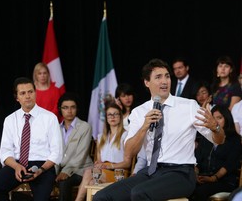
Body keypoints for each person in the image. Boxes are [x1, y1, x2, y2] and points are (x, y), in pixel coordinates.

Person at [93, 58, 225, 201]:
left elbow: (219, 140)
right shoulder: (139, 112)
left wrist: (216, 128)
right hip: (152, 171)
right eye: (158, 77)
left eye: (167, 76)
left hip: (181, 173)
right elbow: (129, 152)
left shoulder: (188, 106)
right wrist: (144, 127)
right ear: (147, 82)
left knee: (139, 193)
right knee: (102, 197)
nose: (164, 81)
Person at [0, 77, 63, 201]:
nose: (27, 96)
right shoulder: (10, 120)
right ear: (17, 97)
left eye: (30, 92)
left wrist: (40, 170)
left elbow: (56, 152)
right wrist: (16, 166)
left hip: (42, 165)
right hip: (17, 163)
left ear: (35, 93)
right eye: (23, 93)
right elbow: (5, 152)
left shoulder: (50, 118)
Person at [75, 102, 130, 201]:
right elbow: (99, 161)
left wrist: (109, 166)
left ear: (120, 117)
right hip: (103, 171)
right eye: (109, 114)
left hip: (118, 173)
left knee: (88, 172)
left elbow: (127, 163)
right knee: (91, 182)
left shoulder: (126, 135)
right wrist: (98, 164)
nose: (112, 117)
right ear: (106, 118)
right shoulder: (101, 137)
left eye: (115, 114)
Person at [191, 105, 241, 201]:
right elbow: (197, 159)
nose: (215, 121)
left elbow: (229, 165)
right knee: (187, 187)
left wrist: (214, 178)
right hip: (204, 177)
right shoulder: (206, 137)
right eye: (213, 118)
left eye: (219, 118)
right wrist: (196, 175)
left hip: (224, 181)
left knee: (200, 192)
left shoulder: (235, 139)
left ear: (226, 119)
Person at [55, 92, 93, 201]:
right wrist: (53, 171)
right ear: (60, 109)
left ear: (77, 109)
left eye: (73, 107)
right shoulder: (56, 128)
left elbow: (80, 155)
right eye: (65, 108)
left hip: (81, 169)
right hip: (60, 169)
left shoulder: (85, 127)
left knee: (64, 182)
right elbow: (54, 152)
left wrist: (66, 171)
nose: (69, 111)